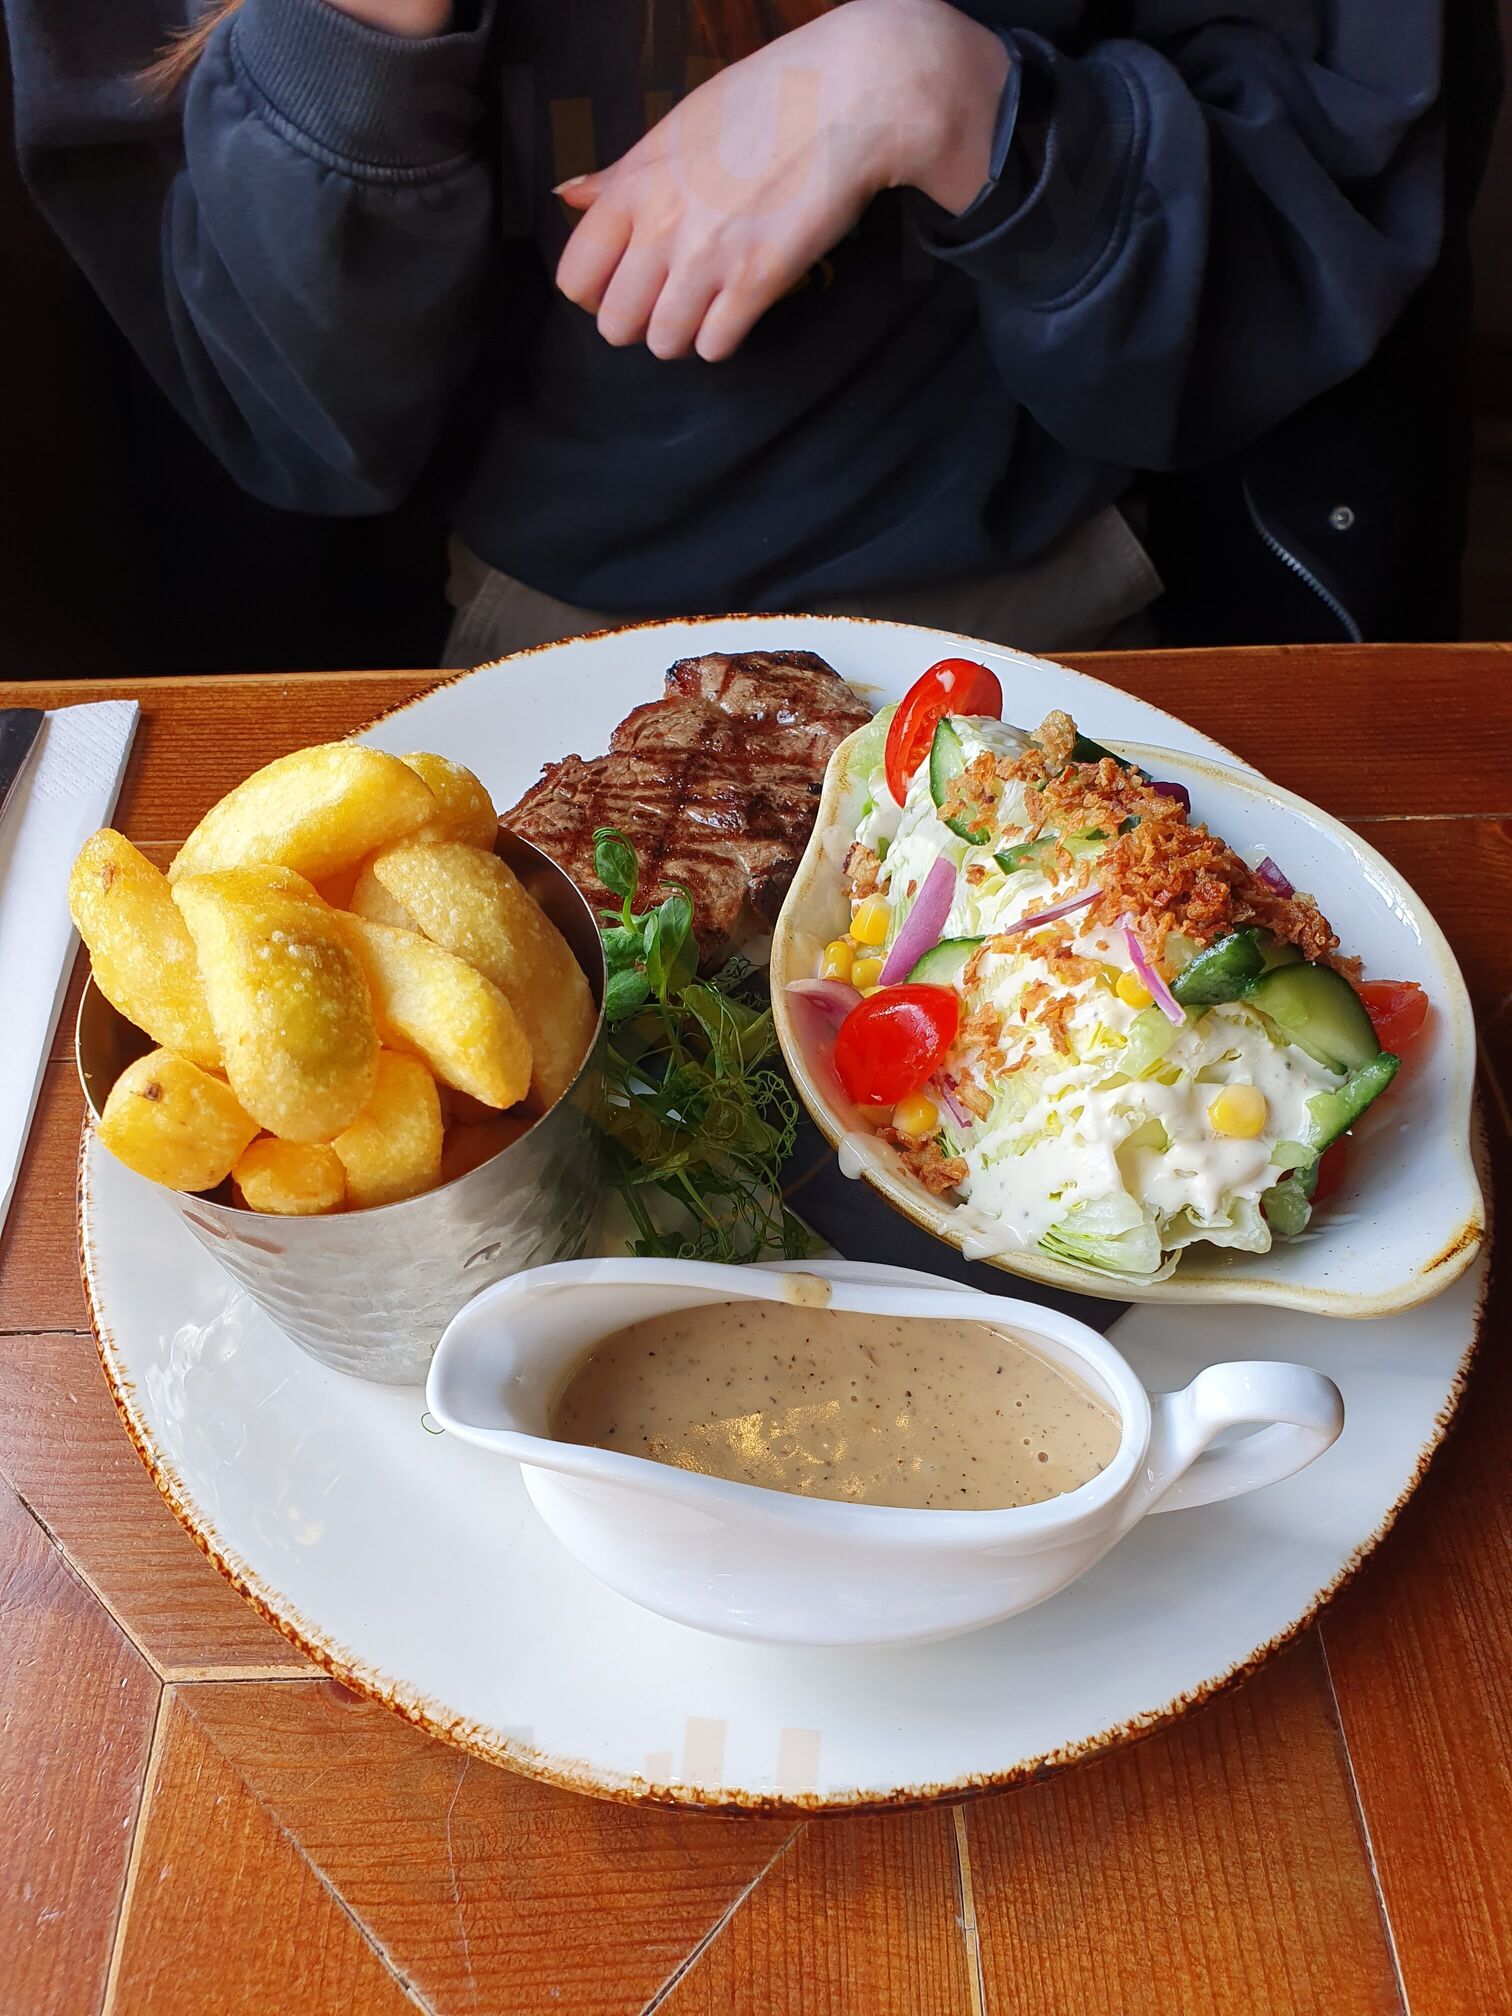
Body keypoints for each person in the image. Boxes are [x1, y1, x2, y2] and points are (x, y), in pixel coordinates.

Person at [5, 1, 1492, 660]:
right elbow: (297, 435)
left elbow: (1308, 233)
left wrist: (953, 98)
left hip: (1072, 620)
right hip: (515, 650)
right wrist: (357, 42)